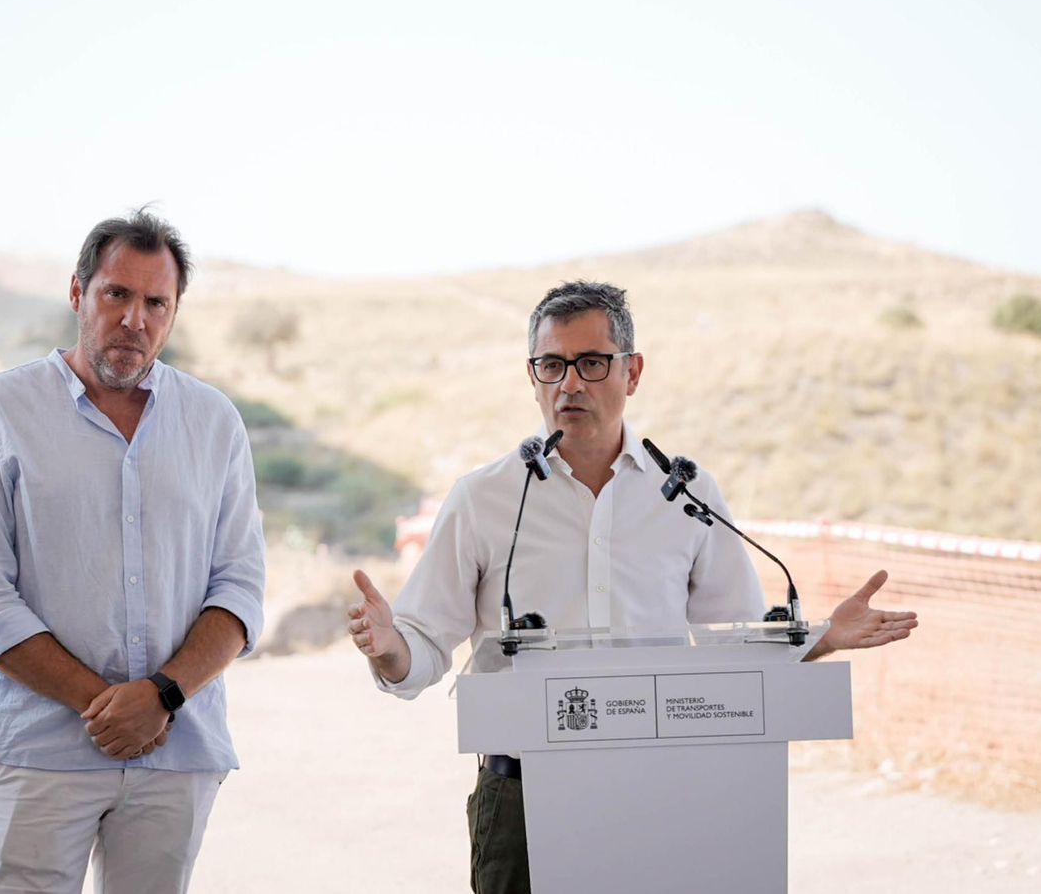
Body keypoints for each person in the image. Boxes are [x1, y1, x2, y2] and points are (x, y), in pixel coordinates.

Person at [347, 280, 917, 894]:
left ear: (632, 372)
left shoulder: (686, 497)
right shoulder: (484, 499)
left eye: (592, 363)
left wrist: (826, 636)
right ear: (532, 376)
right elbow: (424, 644)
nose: (571, 383)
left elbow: (738, 647)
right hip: (522, 793)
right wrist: (389, 647)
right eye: (552, 365)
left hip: (665, 783)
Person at [0, 209, 265, 894]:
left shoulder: (214, 423)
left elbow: (239, 587)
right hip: (39, 750)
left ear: (174, 312)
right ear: (77, 291)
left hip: (177, 753)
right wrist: (112, 707)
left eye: (156, 302)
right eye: (116, 293)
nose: (134, 319)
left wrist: (163, 697)